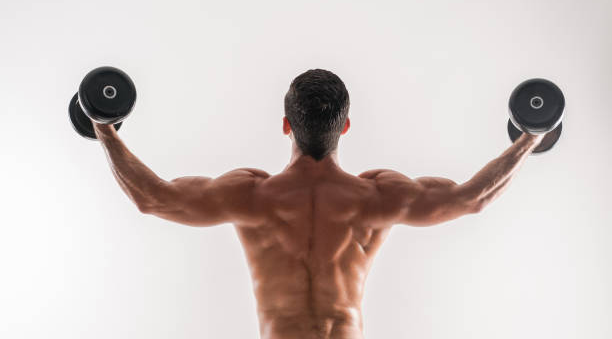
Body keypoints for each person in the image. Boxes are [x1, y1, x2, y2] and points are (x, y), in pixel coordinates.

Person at [92, 69, 544, 339]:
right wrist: (530, 135)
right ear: (346, 127)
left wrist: (103, 127)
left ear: (286, 125)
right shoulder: (378, 196)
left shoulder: (250, 196)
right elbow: (473, 198)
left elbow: (152, 198)